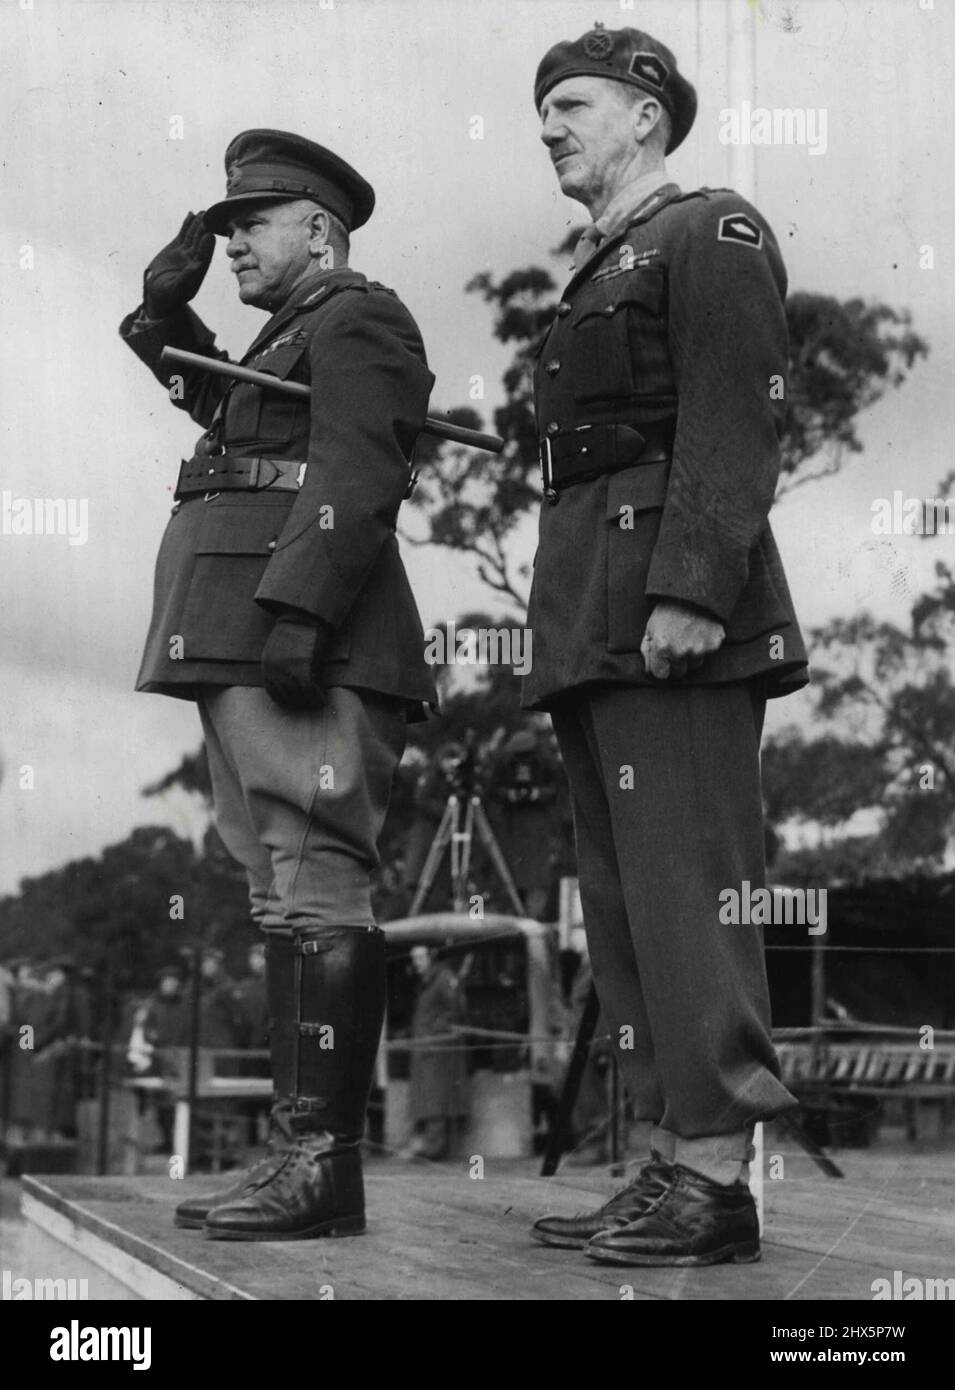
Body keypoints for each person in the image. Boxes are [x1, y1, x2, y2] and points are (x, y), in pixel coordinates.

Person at [523, 25, 810, 1266]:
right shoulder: (594, 265)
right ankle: (665, 1158)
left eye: (571, 103)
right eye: (540, 109)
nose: (548, 126)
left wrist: (691, 583)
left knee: (689, 891)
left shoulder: (709, 229)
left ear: (648, 112)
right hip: (596, 611)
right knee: (625, 904)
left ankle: (715, 1176)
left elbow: (739, 415)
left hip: (667, 607)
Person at [120, 128, 436, 1240]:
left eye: (250, 224)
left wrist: (300, 606)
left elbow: (362, 463)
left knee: (314, 885)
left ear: (321, 229)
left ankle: (320, 1166)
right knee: (276, 889)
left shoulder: (360, 317)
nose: (233, 243)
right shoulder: (287, 336)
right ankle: (295, 1157)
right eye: (226, 227)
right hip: (233, 625)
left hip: (294, 630)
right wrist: (166, 326)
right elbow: (229, 418)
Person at [402, 945, 468, 1160]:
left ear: (431, 957)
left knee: (435, 1100)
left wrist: (435, 1030)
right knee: (429, 1099)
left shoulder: (443, 978)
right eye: (414, 959)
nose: (416, 963)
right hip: (427, 1049)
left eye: (420, 958)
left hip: (438, 1051)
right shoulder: (430, 980)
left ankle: (435, 1147)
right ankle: (431, 1146)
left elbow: (456, 1008)